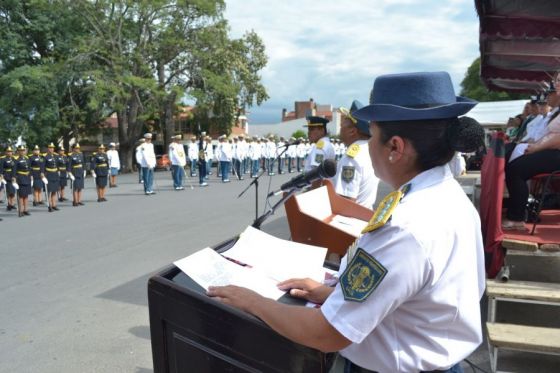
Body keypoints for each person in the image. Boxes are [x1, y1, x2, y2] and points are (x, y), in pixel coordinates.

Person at [208, 71, 486, 373]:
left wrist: (255, 302)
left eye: (372, 135)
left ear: (395, 147)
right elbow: (423, 298)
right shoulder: (449, 198)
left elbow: (326, 333)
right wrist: (331, 294)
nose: (367, 146)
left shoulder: (404, 227)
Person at [503, 76, 560, 230]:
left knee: (516, 170)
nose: (555, 84)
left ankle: (516, 218)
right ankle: (515, 213)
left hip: (556, 154)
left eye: (559, 81)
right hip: (552, 151)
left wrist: (536, 148)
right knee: (513, 165)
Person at [332, 100, 379, 209]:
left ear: (352, 131)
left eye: (343, 123)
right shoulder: (370, 150)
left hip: (350, 222)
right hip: (365, 217)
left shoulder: (351, 158)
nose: (341, 127)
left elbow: (346, 202)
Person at [13, 145, 33, 216]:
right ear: (18, 151)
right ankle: (20, 210)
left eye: (23, 150)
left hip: (27, 178)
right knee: (21, 195)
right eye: (21, 150)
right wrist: (14, 178)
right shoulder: (16, 159)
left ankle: (26, 210)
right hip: (21, 178)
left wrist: (31, 175)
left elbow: (29, 168)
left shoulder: (27, 159)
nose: (22, 151)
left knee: (26, 195)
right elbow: (14, 170)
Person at [43, 143, 60, 211]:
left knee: (54, 191)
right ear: (48, 148)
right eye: (50, 148)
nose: (51, 149)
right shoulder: (45, 156)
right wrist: (43, 175)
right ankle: (49, 206)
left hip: (55, 174)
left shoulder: (56, 156)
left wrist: (58, 171)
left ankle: (54, 205)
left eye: (52, 148)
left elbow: (57, 165)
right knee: (49, 191)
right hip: (49, 175)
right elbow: (42, 166)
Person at [0, 146, 17, 211]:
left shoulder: (14, 159)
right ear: (6, 152)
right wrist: (1, 175)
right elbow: (1, 168)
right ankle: (9, 204)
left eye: (10, 151)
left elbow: (15, 168)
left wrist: (15, 176)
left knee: (13, 191)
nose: (9, 153)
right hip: (6, 176)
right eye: (8, 151)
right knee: (9, 191)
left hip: (13, 176)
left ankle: (12, 204)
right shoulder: (3, 159)